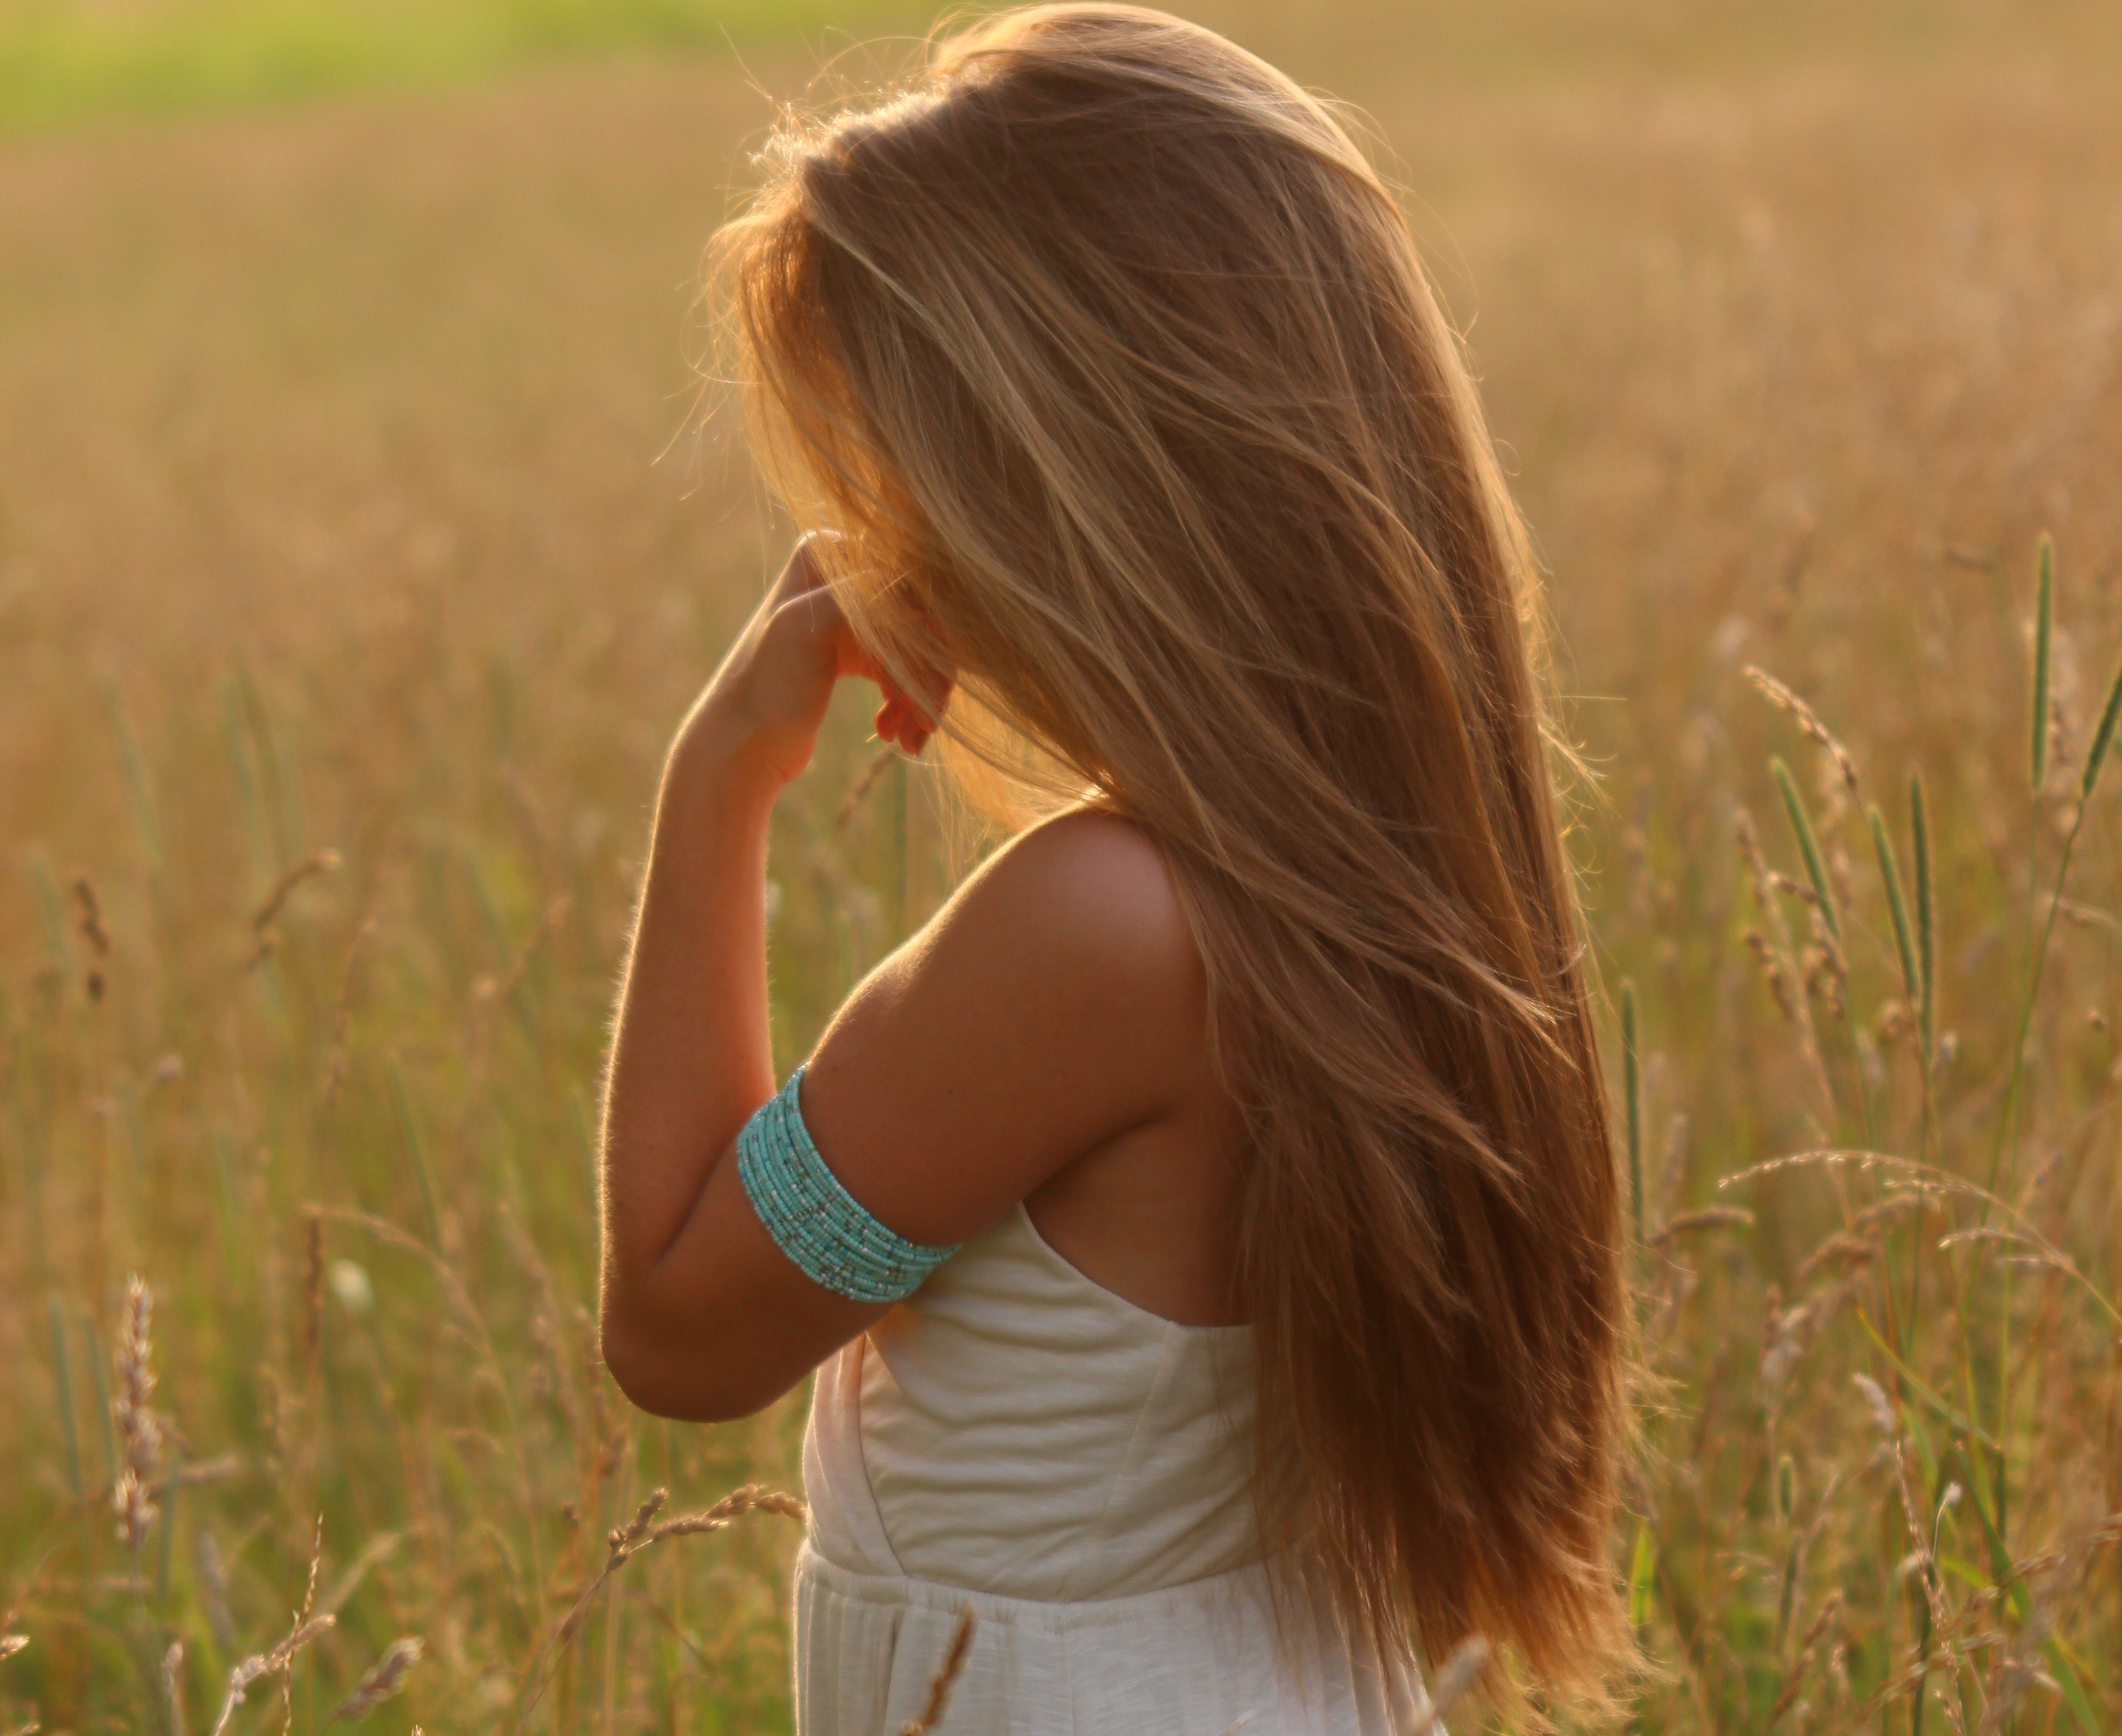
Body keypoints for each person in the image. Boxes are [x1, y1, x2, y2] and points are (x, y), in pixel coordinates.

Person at [596, 6, 1630, 1730]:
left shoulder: (1100, 929)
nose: (880, 552)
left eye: (903, 485)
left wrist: (722, 777)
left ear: (1069, 490)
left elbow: (676, 1327)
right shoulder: (1360, 875)